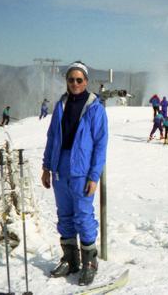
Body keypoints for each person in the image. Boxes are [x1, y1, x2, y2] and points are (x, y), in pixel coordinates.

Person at [41, 61, 108, 286]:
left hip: (82, 171)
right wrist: (46, 167)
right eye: (71, 80)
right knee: (65, 216)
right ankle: (71, 259)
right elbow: (52, 138)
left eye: (79, 80)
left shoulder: (95, 108)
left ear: (86, 81)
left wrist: (94, 176)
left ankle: (90, 262)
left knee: (83, 216)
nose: (75, 83)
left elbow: (100, 145)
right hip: (60, 168)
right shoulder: (61, 105)